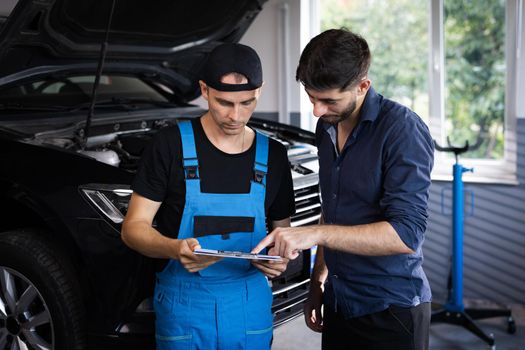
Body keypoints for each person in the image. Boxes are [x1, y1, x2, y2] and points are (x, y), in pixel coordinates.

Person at [252, 29, 434, 350]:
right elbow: (332, 209)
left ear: (363, 86)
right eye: (311, 98)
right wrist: (317, 280)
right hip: (339, 301)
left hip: (389, 310)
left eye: (329, 100)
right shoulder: (327, 128)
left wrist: (314, 235)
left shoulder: (402, 130)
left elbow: (406, 234)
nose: (317, 111)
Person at [121, 43, 295, 350]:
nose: (236, 115)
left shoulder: (275, 156)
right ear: (204, 90)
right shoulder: (170, 146)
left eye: (247, 102)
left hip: (249, 308)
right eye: (224, 103)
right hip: (184, 307)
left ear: (260, 91)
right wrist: (173, 248)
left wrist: (281, 261)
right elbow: (133, 228)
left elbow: (285, 236)